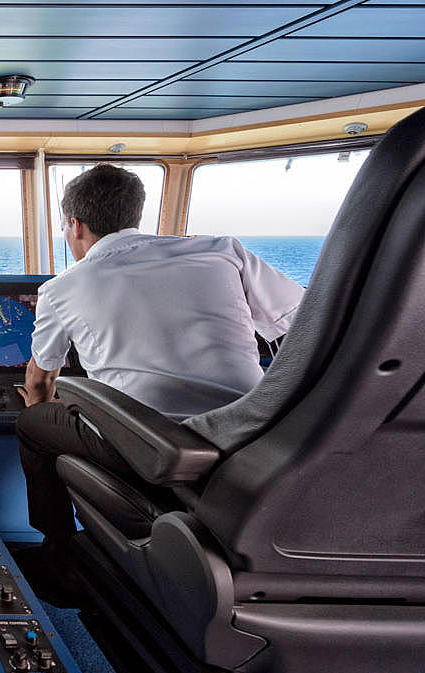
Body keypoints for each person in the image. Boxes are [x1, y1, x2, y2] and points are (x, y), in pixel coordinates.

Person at [16, 163, 304, 558]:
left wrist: (42, 405)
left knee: (33, 423)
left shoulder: (61, 288)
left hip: (148, 442)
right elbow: (305, 325)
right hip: (248, 433)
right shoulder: (222, 251)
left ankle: (58, 548)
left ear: (76, 225)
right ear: (135, 215)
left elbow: (40, 380)